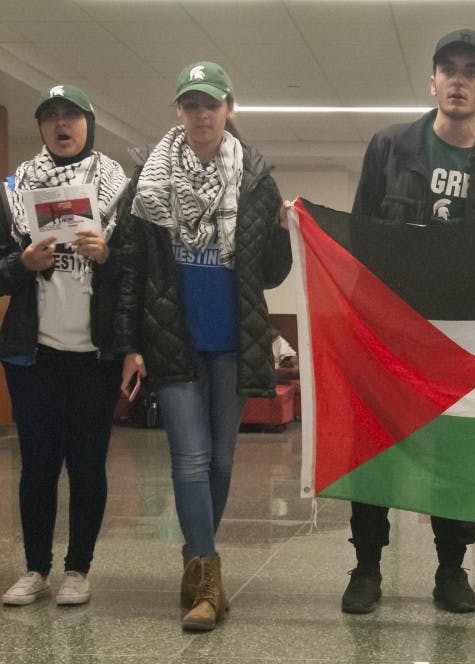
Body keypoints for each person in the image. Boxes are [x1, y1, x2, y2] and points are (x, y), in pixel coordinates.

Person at [342, 27, 475, 615]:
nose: (459, 80)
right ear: (433, 81)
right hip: (391, 331)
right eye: (449, 69)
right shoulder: (390, 148)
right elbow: (360, 238)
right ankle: (367, 565)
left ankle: (452, 569)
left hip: (462, 335)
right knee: (377, 446)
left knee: (457, 455)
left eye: (472, 71)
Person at [117, 61, 291, 631]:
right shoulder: (148, 177)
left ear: (228, 109)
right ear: (179, 111)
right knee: (189, 459)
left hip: (233, 339)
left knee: (220, 460)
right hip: (173, 339)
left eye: (210, 104)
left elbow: (271, 273)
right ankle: (209, 578)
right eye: (190, 105)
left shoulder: (256, 178)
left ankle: (194, 559)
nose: (200, 115)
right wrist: (131, 343)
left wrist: (285, 231)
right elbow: (132, 266)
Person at [0, 84, 129, 607]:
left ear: (88, 123)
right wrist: (20, 264)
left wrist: (108, 257)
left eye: (71, 115)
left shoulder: (121, 190)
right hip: (33, 354)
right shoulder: (12, 192)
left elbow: (138, 278)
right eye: (51, 116)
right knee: (37, 464)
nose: (61, 124)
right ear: (42, 128)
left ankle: (78, 569)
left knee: (87, 463)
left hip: (95, 357)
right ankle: (35, 569)